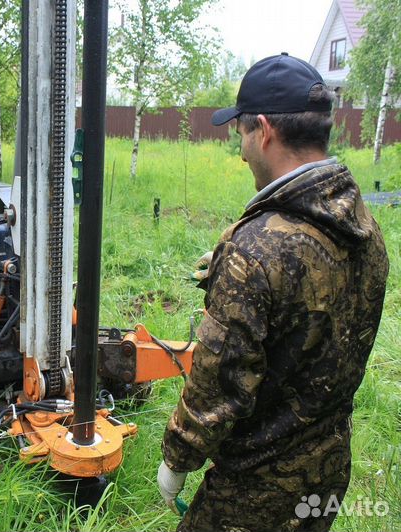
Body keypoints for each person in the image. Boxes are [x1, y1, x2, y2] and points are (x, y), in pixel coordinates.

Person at [157, 54, 389, 532]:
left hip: (254, 491)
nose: (241, 152)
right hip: (328, 472)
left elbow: (219, 380)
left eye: (241, 134)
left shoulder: (258, 250)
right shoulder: (367, 227)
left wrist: (176, 460)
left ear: (263, 130)